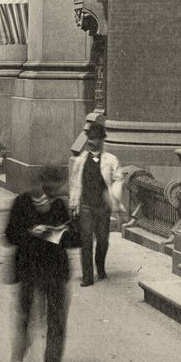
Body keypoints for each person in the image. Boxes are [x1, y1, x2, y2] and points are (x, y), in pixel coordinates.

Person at [5, 164, 79, 362]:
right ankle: (19, 351)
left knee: (56, 322)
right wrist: (31, 233)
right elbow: (9, 236)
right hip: (30, 269)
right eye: (55, 185)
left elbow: (75, 240)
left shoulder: (61, 207)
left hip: (56, 272)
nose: (58, 190)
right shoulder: (22, 203)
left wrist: (67, 231)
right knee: (26, 316)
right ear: (44, 184)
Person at [69, 120, 122, 286]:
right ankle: (87, 277)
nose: (90, 142)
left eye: (94, 138)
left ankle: (100, 266)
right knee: (86, 242)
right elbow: (74, 183)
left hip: (102, 207)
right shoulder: (80, 161)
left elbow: (118, 178)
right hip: (85, 206)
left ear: (101, 140)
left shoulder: (111, 160)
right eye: (89, 138)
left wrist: (114, 196)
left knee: (103, 240)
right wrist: (73, 204)